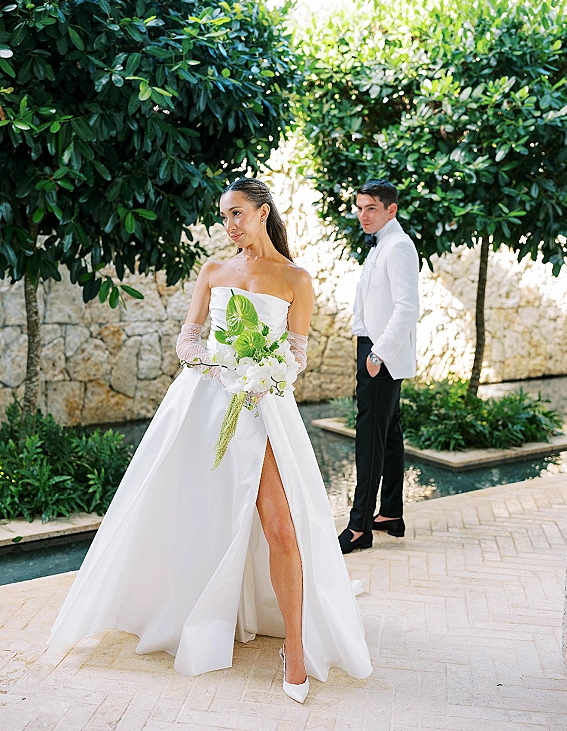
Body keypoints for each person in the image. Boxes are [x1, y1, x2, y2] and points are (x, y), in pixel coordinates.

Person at [48, 178, 372, 703]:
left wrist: (265, 376)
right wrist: (218, 368)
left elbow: (296, 352)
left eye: (237, 213)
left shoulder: (296, 279)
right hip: (206, 403)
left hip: (264, 409)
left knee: (283, 529)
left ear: (263, 213)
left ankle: (295, 644)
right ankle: (199, 615)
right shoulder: (214, 271)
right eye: (224, 217)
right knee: (198, 516)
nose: (229, 225)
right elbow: (188, 337)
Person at [338, 179, 420, 554]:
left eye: (371, 208)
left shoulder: (399, 246)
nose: (363, 215)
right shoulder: (382, 245)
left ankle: (359, 528)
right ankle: (389, 513)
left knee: (370, 436)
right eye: (359, 207)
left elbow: (407, 308)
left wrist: (377, 354)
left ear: (391, 209)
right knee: (388, 434)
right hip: (374, 348)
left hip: (380, 353)